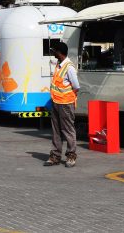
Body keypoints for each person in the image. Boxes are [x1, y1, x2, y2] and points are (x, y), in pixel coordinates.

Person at [45, 40, 81, 168]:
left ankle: (71, 156)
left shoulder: (69, 67)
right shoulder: (59, 65)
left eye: (53, 51)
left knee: (68, 130)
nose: (52, 53)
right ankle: (55, 155)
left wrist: (68, 97)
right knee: (56, 130)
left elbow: (76, 86)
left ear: (59, 52)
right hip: (56, 102)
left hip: (66, 103)